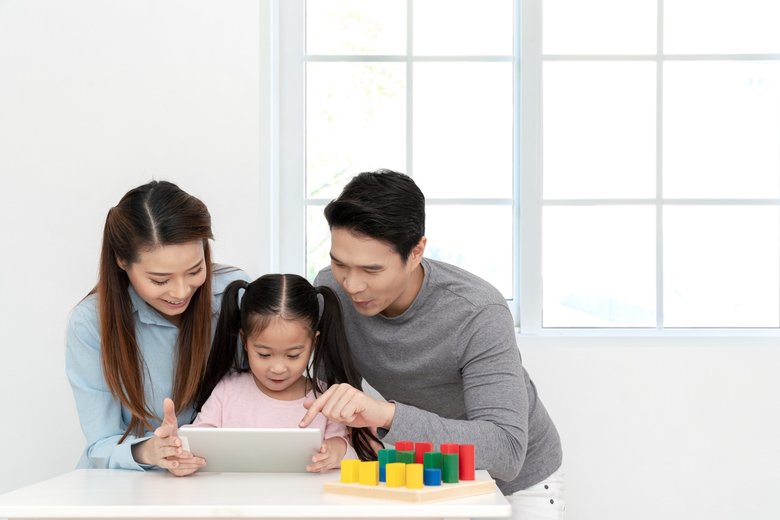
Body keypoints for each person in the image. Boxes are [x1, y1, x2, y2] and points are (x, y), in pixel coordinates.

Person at [300, 170, 564, 519]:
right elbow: (327, 389)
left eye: (372, 270)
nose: (352, 285)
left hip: (519, 482)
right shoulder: (330, 291)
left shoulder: (477, 311)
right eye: (339, 263)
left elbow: (506, 450)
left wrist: (386, 415)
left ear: (415, 252)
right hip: (426, 469)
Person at [65, 180, 249, 475]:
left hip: (216, 477)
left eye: (195, 271)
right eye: (160, 280)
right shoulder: (91, 323)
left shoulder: (233, 293)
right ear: (122, 261)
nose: (180, 292)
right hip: (127, 486)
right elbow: (100, 445)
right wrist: (150, 450)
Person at [187, 274, 379, 474]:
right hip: (235, 501)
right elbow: (198, 441)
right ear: (244, 341)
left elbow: (351, 454)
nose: (278, 368)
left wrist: (337, 451)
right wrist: (178, 451)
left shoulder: (325, 398)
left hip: (304, 502)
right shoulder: (227, 391)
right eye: (264, 354)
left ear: (314, 343)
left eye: (293, 355)